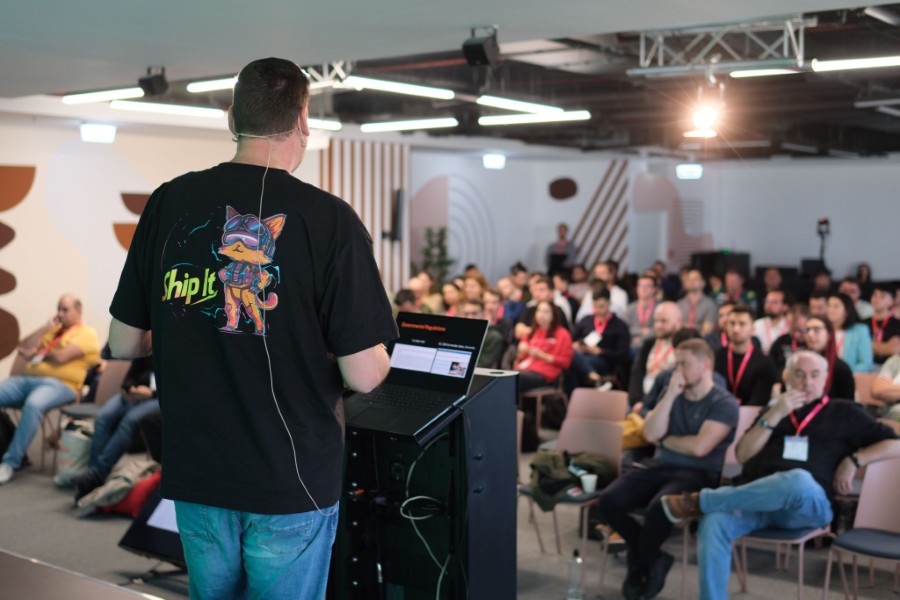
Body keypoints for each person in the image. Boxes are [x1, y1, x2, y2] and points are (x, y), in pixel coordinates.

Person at [106, 58, 397, 599]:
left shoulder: (168, 201)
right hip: (290, 479)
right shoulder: (330, 220)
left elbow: (123, 342)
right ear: (304, 120)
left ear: (230, 117)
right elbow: (363, 375)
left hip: (197, 473)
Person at [661, 350, 900, 600]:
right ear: (787, 378)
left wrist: (855, 460)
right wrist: (774, 415)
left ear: (825, 379)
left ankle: (702, 501)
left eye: (814, 375)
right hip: (757, 505)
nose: (807, 382)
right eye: (799, 374)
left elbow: (896, 444)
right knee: (714, 522)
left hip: (807, 507)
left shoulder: (845, 412)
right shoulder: (773, 412)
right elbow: (742, 455)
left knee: (797, 479)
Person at [597, 339, 738, 600]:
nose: (677, 370)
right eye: (676, 364)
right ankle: (653, 558)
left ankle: (638, 565)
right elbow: (650, 433)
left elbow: (700, 448)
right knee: (607, 501)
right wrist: (671, 394)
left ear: (706, 365)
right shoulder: (671, 393)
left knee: (659, 507)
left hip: (698, 475)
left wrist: (666, 440)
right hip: (659, 465)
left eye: (684, 364)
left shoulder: (724, 403)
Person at [0, 294, 100, 484]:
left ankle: (11, 462)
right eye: (58, 309)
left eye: (65, 310)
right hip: (26, 380)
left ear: (79, 311)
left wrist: (37, 353)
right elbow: (22, 348)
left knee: (33, 404)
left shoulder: (87, 333)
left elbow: (61, 357)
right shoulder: (52, 332)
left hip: (61, 385)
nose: (60, 314)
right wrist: (44, 330)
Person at [72, 355, 158, 500]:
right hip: (132, 394)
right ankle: (93, 473)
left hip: (157, 398)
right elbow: (130, 376)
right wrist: (131, 387)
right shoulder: (146, 351)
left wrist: (151, 393)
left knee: (129, 422)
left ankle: (96, 475)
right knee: (102, 419)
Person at [714, 305, 777, 406]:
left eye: (742, 324)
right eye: (732, 323)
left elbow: (759, 400)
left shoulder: (765, 363)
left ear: (752, 328)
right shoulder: (716, 356)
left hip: (750, 416)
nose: (736, 329)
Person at [571, 288, 630, 386]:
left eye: (601, 306)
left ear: (609, 303)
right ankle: (595, 378)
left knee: (575, 361)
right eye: (595, 306)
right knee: (572, 360)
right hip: (582, 355)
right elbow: (572, 339)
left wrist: (601, 352)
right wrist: (576, 345)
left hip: (605, 361)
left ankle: (595, 379)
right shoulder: (586, 320)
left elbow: (623, 354)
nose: (597, 310)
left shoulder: (620, 326)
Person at [628, 302, 681, 407]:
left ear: (678, 322)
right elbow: (637, 374)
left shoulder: (684, 346)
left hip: (668, 402)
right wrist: (637, 401)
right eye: (656, 321)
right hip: (643, 399)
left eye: (664, 321)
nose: (658, 325)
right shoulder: (649, 344)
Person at [513, 300, 573, 392]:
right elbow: (520, 359)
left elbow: (566, 362)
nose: (541, 314)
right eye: (539, 310)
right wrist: (521, 352)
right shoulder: (530, 333)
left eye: (546, 311)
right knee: (505, 377)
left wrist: (541, 355)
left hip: (544, 375)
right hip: (525, 370)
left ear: (553, 315)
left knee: (513, 378)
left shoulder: (562, 334)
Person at [801, 315, 855, 400]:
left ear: (829, 334)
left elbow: (848, 405)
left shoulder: (840, 368)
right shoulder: (800, 365)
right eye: (807, 330)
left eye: (816, 330)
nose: (810, 334)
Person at [827, 292, 873, 372]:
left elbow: (866, 364)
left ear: (846, 310)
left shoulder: (860, 330)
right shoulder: (824, 329)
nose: (830, 310)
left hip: (849, 377)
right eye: (828, 305)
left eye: (836, 306)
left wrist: (845, 373)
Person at [458, 299, 503, 369]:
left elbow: (483, 365)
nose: (470, 317)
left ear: (483, 314)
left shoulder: (493, 337)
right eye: (466, 314)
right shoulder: (459, 335)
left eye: (474, 313)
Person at [769, 303, 809, 373]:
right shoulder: (780, 342)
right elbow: (771, 369)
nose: (796, 335)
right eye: (793, 330)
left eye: (801, 331)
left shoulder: (813, 344)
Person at [677, 268, 717, 336]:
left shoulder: (710, 305)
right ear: (685, 284)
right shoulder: (678, 305)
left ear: (703, 283)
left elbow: (707, 330)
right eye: (688, 279)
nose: (691, 282)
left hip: (700, 342)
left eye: (695, 279)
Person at [624, 274, 658, 352]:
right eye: (640, 286)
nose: (643, 289)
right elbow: (626, 329)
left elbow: (658, 331)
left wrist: (641, 339)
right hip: (632, 346)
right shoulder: (630, 308)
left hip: (652, 346)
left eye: (647, 286)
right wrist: (642, 331)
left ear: (654, 289)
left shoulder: (660, 308)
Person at [869, 283, 900, 365]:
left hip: (891, 367)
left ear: (892, 301)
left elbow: (894, 349)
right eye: (875, 295)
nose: (877, 299)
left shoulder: (897, 324)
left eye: (882, 296)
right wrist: (885, 347)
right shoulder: (862, 323)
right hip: (867, 366)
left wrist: (867, 344)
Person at [752, 289, 789, 355]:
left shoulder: (790, 326)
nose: (769, 305)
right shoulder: (757, 324)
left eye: (774, 302)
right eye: (767, 301)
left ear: (785, 306)